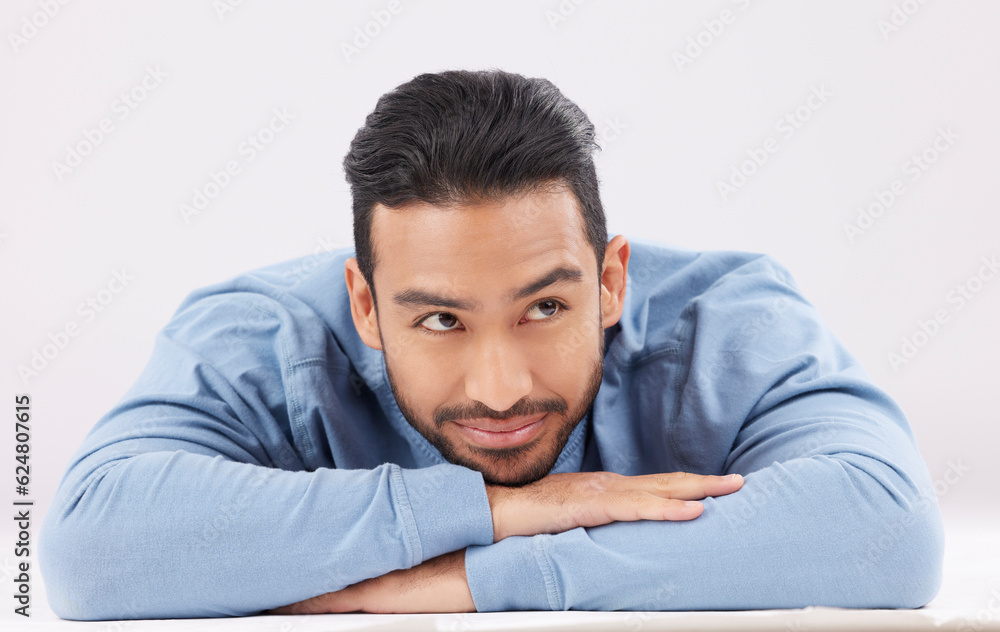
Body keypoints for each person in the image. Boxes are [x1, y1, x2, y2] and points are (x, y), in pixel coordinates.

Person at [38, 69, 943, 619]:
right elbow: (92, 548)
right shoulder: (257, 336)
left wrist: (458, 581)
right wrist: (508, 509)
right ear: (363, 303)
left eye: (545, 308)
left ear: (612, 278)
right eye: (440, 321)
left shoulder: (728, 318)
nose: (503, 389)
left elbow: (886, 531)